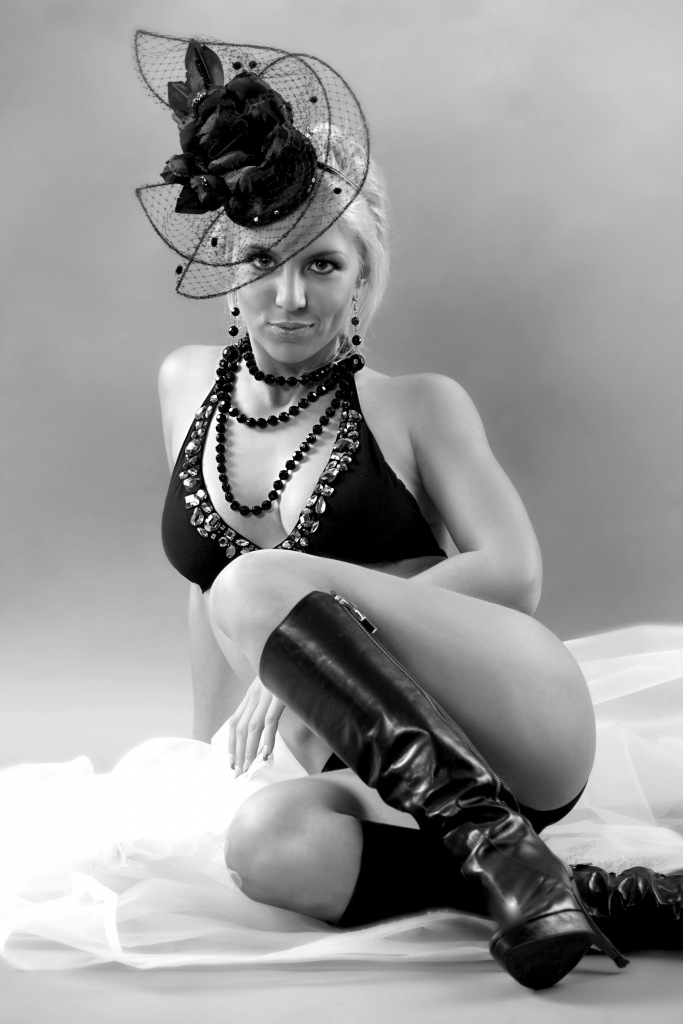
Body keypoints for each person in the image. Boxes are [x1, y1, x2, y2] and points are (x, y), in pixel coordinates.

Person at [135, 32, 681, 989]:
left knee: (253, 583)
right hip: (376, 772)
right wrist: (203, 751)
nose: (290, 296)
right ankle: (589, 894)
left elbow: (513, 572)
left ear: (363, 277)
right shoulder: (185, 387)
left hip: (511, 716)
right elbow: (205, 584)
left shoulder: (416, 405)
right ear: (225, 259)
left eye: (323, 265)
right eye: (263, 259)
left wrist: (306, 621)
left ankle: (502, 844)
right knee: (267, 848)